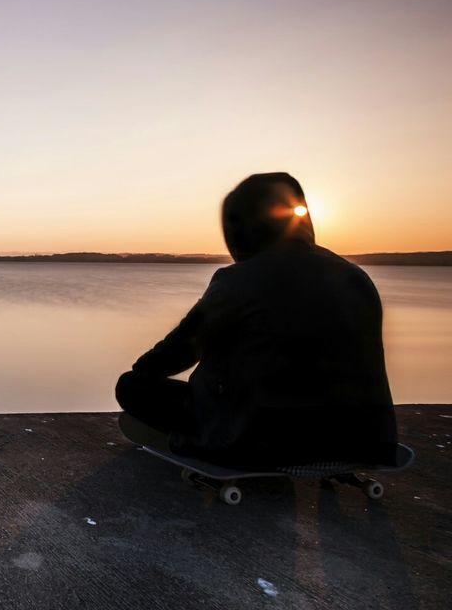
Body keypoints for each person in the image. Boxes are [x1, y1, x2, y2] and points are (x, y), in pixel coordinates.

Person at [116, 172, 398, 469]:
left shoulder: (240, 279)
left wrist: (143, 369)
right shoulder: (356, 277)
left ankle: (202, 440)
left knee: (131, 387)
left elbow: (178, 352)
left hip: (259, 440)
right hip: (364, 439)